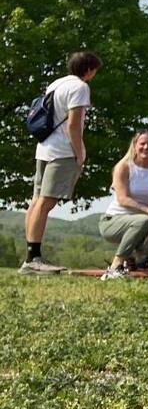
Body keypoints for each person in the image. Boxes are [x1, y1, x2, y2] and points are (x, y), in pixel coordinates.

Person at [22, 51, 102, 275]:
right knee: (45, 204)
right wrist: (80, 153)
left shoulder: (57, 84)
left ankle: (30, 255)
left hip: (44, 148)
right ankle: (33, 258)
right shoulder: (80, 87)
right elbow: (73, 125)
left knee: (36, 201)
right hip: (61, 151)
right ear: (89, 70)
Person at [99, 132, 148, 280]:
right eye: (142, 143)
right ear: (135, 146)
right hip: (113, 220)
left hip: (143, 221)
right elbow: (123, 199)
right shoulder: (123, 166)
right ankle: (115, 266)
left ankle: (130, 259)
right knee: (143, 221)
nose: (146, 147)